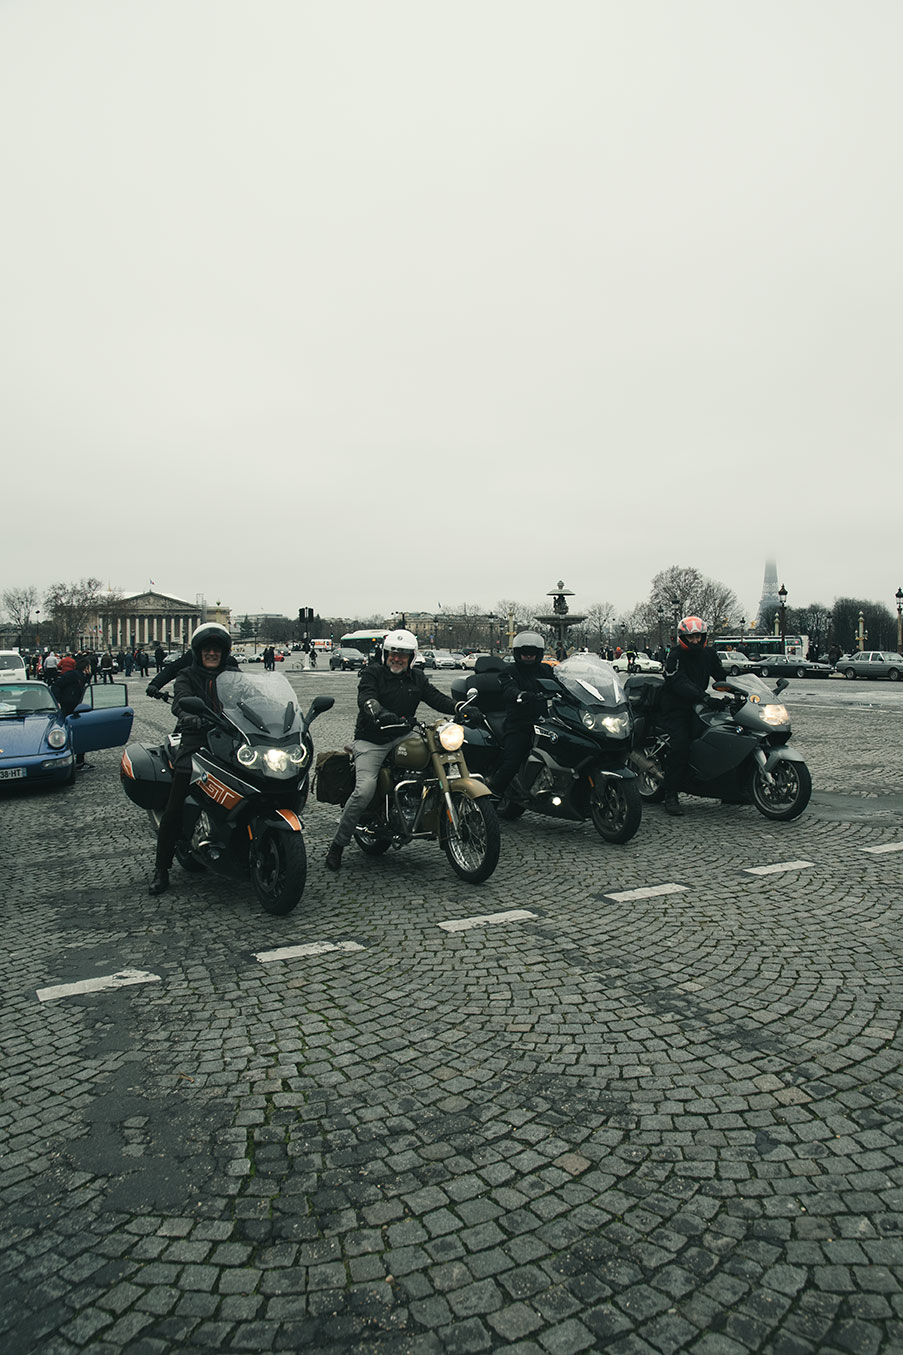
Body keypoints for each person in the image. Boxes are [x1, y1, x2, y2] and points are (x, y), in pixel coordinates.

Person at [325, 629, 456, 870]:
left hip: (404, 734)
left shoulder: (417, 677)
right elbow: (366, 697)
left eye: (403, 655)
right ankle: (338, 845)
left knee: (431, 760)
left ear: (411, 657)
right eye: (393, 653)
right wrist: (377, 711)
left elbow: (436, 698)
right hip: (372, 738)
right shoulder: (372, 673)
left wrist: (460, 707)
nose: (397, 658)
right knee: (364, 790)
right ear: (385, 654)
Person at [148, 623, 238, 896]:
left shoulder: (232, 673)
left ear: (224, 652)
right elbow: (180, 701)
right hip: (196, 739)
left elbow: (251, 696)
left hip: (229, 739)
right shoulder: (187, 675)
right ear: (199, 652)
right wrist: (190, 717)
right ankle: (161, 868)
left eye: (217, 649)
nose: (212, 653)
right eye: (208, 649)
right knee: (179, 792)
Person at [660, 615, 727, 816]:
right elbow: (678, 681)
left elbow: (721, 676)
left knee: (721, 737)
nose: (695, 641)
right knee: (680, 745)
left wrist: (740, 691)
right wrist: (704, 697)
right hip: (676, 706)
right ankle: (670, 794)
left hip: (699, 705)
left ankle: (728, 787)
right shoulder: (675, 656)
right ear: (683, 637)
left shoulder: (709, 654)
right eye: (691, 637)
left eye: (698, 636)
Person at [489, 631, 557, 799]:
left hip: (545, 721)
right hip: (519, 723)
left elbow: (560, 684)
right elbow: (508, 688)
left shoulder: (546, 669)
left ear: (539, 654)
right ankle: (492, 796)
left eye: (532, 653)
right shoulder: (509, 671)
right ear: (518, 654)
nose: (528, 656)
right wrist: (520, 695)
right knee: (512, 761)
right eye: (524, 653)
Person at [53, 655, 94, 769]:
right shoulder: (72, 675)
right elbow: (56, 686)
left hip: (77, 707)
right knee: (73, 733)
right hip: (69, 708)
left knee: (80, 733)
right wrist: (58, 701)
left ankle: (80, 760)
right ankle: (73, 758)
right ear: (86, 667)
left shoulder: (82, 676)